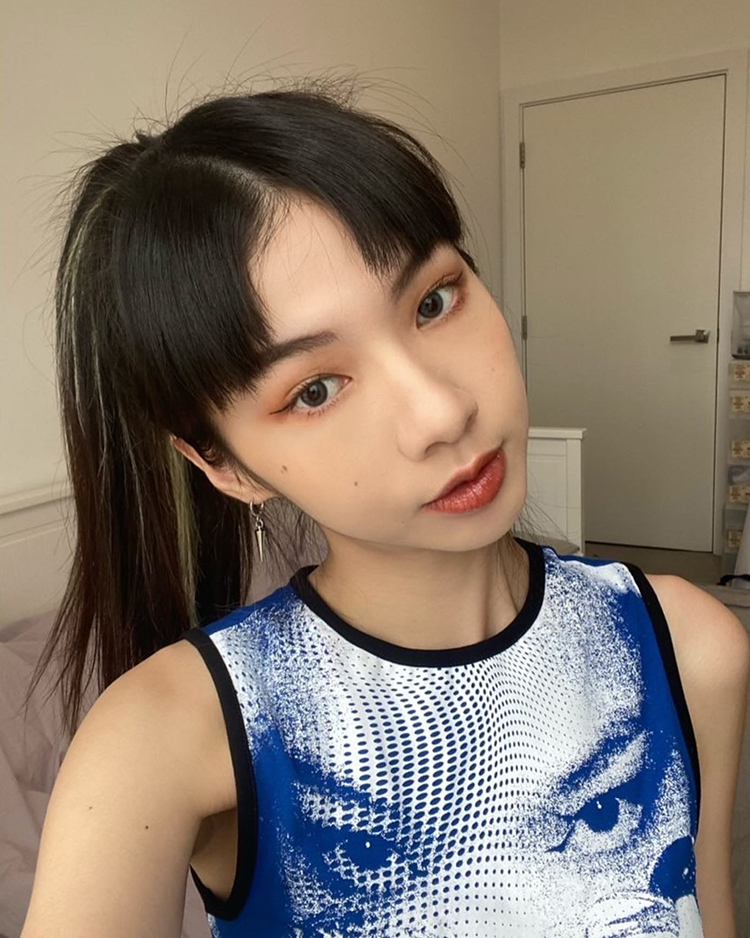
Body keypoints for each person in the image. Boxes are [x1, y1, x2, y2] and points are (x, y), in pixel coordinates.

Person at [19, 74, 749, 938]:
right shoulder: (159, 741)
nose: (442, 412)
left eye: (433, 301)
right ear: (225, 465)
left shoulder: (688, 647)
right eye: (316, 389)